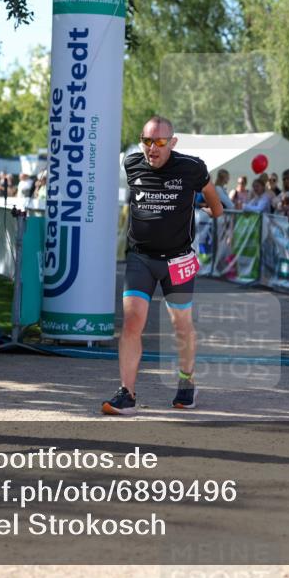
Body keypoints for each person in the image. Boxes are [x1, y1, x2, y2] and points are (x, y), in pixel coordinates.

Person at [103, 115, 224, 416]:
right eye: (147, 141)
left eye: (159, 142)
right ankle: (127, 393)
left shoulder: (191, 167)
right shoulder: (132, 164)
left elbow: (212, 196)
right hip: (141, 258)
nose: (152, 148)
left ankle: (186, 381)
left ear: (172, 142)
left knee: (181, 325)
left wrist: (216, 210)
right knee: (132, 322)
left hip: (177, 260)